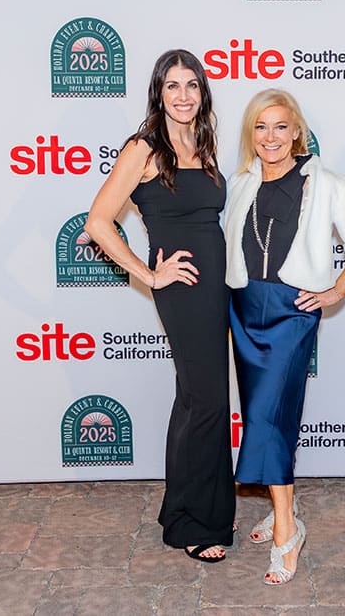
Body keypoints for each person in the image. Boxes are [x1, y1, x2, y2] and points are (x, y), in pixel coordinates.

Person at [223, 89, 345, 584]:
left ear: (297, 131)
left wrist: (336, 290)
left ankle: (287, 531)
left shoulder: (328, 184)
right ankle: (282, 509)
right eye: (260, 127)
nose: (270, 137)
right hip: (243, 309)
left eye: (280, 126)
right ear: (251, 134)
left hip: (291, 314)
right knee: (267, 416)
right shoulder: (240, 183)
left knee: (268, 418)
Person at [84, 50, 235, 563]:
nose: (183, 95)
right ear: (159, 93)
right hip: (183, 289)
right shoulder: (143, 148)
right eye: (173, 86)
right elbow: (98, 222)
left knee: (196, 399)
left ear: (202, 92)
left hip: (216, 286)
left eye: (192, 85)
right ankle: (194, 522)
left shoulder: (202, 142)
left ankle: (192, 511)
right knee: (207, 401)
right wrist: (149, 275)